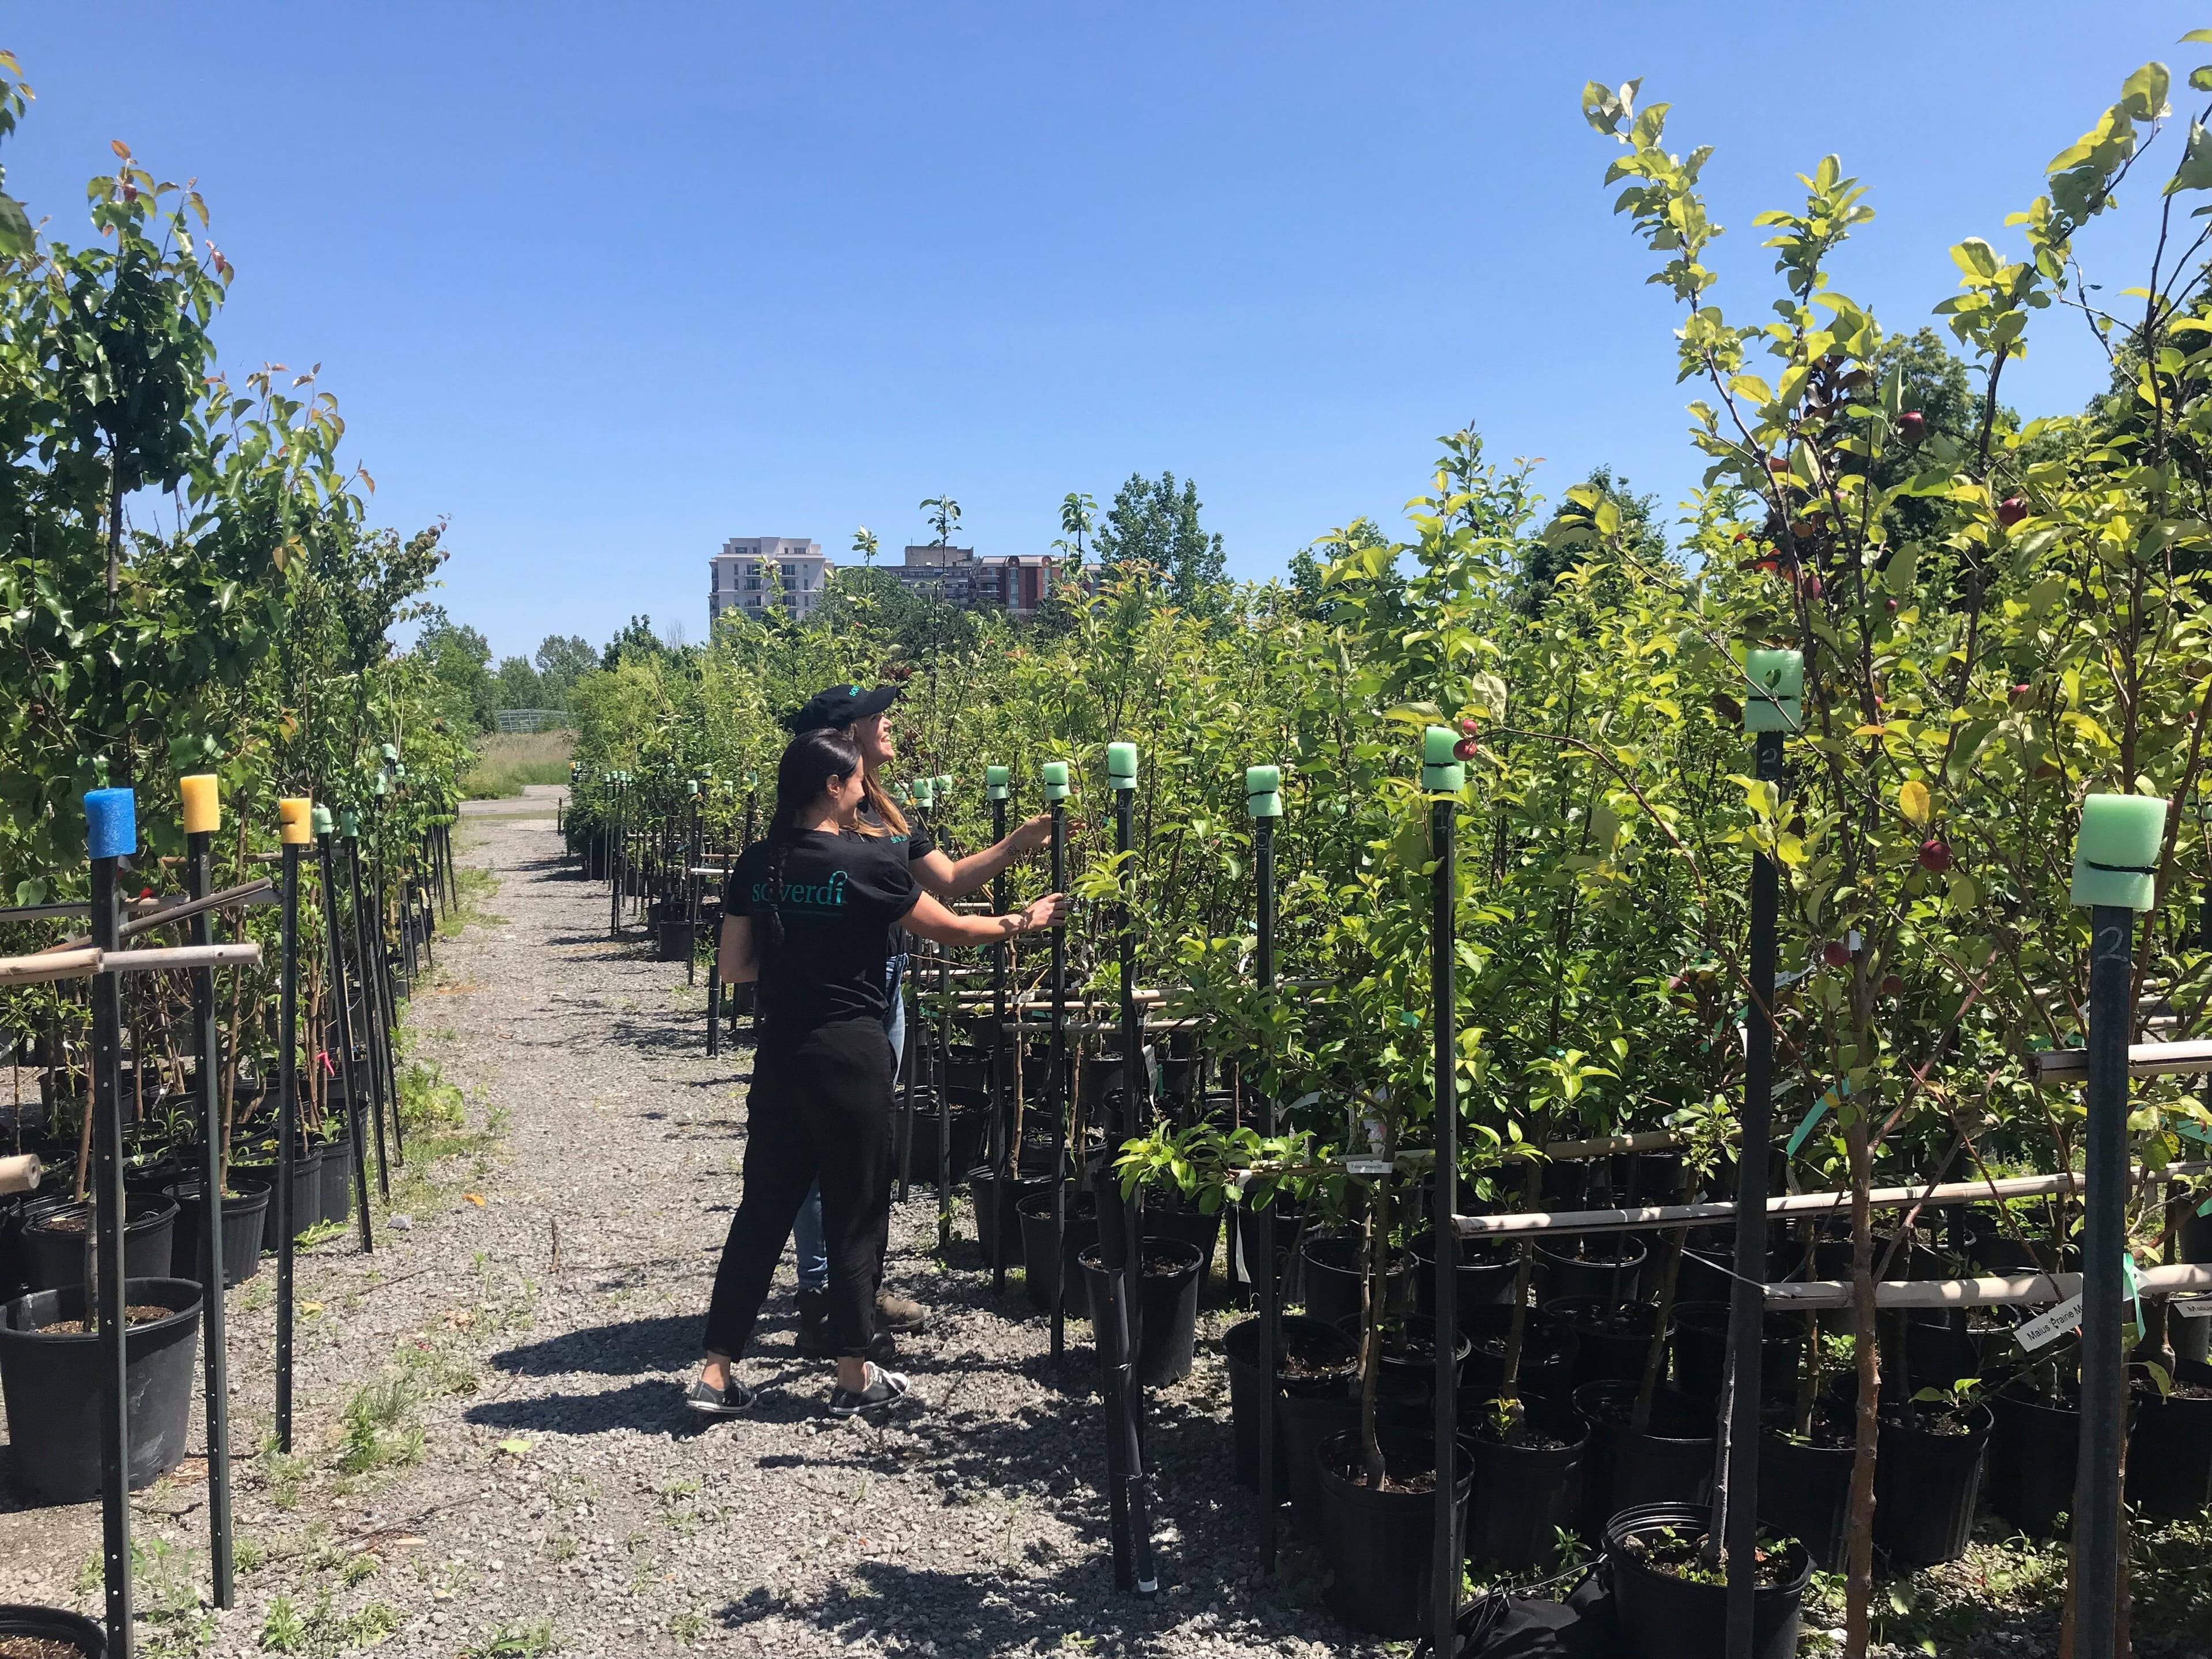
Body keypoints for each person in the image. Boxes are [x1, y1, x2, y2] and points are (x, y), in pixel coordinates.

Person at [689, 728, 1066, 1416]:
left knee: (763, 1211)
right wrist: (1024, 921)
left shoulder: (759, 863)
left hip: (781, 1057)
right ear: (833, 787)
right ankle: (853, 1372)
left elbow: (735, 968)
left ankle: (716, 1372)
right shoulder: (867, 863)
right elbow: (950, 929)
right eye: (858, 780)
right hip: (852, 1056)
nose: (866, 789)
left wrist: (799, 960)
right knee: (856, 1212)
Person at [778, 682, 1054, 1351]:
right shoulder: (826, 817)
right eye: (877, 717)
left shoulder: (881, 809)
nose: (889, 724)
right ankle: (824, 1296)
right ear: (847, 736)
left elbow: (950, 880)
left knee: (864, 1144)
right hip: (843, 996)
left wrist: (1019, 842)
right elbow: (945, 922)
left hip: (887, 985)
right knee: (829, 1148)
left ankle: (852, 1290)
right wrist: (1020, 922)